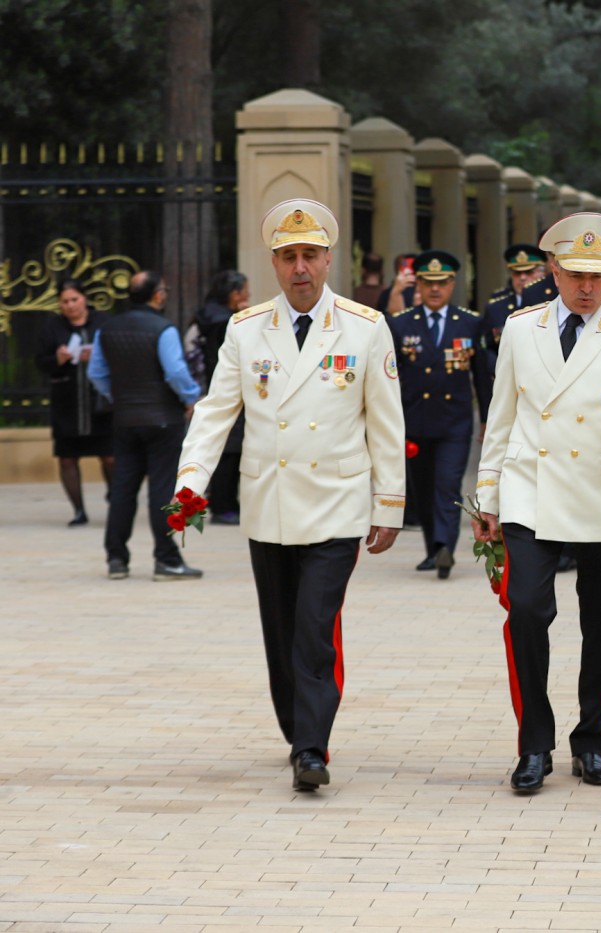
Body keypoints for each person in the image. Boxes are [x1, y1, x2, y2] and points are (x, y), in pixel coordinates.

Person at [175, 198, 406, 791]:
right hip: (270, 502)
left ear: (328, 259)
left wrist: (389, 506)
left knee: (313, 625)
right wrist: (190, 484)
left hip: (337, 503)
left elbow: (385, 423)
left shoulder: (365, 326)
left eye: (309, 255)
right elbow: (215, 413)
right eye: (287, 257)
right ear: (274, 264)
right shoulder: (246, 328)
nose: (299, 267)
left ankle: (312, 747)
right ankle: (296, 727)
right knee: (280, 630)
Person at [471, 212, 601, 793]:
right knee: (527, 610)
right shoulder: (520, 327)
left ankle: (593, 742)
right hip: (531, 490)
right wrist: (487, 495)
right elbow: (501, 417)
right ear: (552, 268)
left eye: (599, 275)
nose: (587, 286)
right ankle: (534, 743)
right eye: (575, 273)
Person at [88, 271, 203, 581]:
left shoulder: (107, 329)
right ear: (157, 295)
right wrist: (192, 398)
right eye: (163, 289)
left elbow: (96, 372)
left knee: (123, 488)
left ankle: (116, 558)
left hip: (125, 420)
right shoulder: (162, 329)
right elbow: (176, 373)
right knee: (163, 490)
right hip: (162, 420)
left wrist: (118, 395)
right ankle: (166, 560)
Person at [389, 249, 493, 578]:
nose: (435, 289)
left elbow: (481, 375)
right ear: (418, 284)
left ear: (453, 284)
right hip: (415, 419)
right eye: (428, 282)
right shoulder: (401, 323)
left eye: (443, 282)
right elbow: (389, 377)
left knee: (447, 485)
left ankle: (445, 546)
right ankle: (432, 550)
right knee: (422, 486)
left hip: (454, 421)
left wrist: (487, 419)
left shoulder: (470, 322)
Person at [35, 280, 114, 526]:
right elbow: (40, 362)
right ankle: (79, 510)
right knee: (67, 458)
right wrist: (57, 359)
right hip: (67, 402)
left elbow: (118, 352)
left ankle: (117, 499)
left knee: (110, 456)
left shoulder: (103, 322)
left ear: (84, 298)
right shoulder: (52, 327)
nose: (70, 306)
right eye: (65, 302)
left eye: (74, 300)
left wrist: (98, 357)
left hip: (99, 402)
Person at [193, 270, 252, 524]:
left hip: (209, 385)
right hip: (229, 387)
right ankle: (224, 505)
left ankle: (222, 502)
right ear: (234, 294)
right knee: (231, 450)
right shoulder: (228, 321)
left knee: (222, 445)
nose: (249, 294)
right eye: (245, 290)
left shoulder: (206, 315)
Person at [482, 244, 549, 356]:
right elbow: (488, 349)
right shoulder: (496, 307)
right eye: (517, 273)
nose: (522, 278)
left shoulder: (553, 301)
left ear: (543, 273)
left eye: (529, 272)